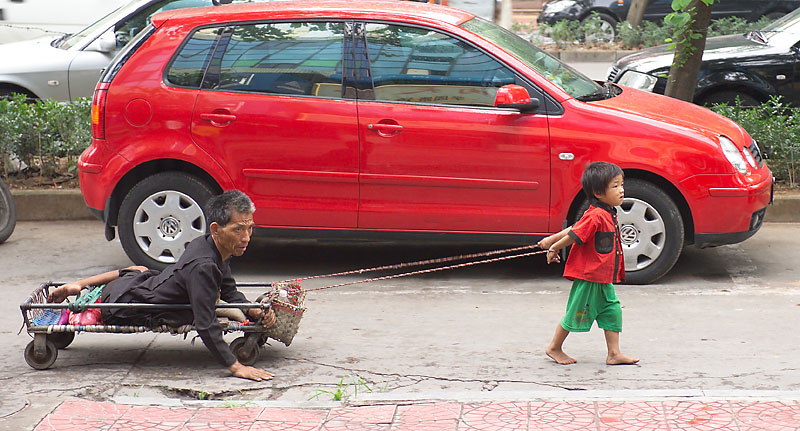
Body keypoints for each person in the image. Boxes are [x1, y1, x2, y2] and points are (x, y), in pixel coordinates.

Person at [48, 190, 278, 381]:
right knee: (138, 273)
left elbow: (229, 290)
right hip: (128, 305)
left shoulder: (211, 245)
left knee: (139, 271)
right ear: (217, 229)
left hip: (144, 285)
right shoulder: (204, 266)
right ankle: (81, 289)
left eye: (249, 228)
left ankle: (78, 285)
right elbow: (206, 323)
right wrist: (236, 367)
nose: (246, 237)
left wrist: (250, 309)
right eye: (238, 229)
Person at [537, 161, 639, 366]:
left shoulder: (604, 211)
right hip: (590, 276)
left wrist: (550, 240)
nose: (621, 190)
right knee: (575, 312)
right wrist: (555, 247)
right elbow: (576, 235)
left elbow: (576, 227)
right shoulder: (597, 215)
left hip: (601, 277)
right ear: (599, 193)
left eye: (621, 184)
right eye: (615, 186)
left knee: (612, 310)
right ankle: (554, 347)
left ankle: (614, 353)